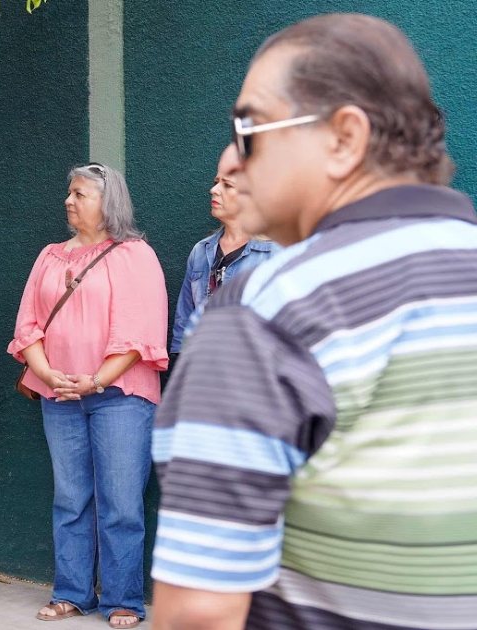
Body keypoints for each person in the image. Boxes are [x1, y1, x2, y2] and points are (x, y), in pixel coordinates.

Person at [151, 13, 477, 630]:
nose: (238, 159)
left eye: (249, 128)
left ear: (344, 138)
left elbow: (198, 613)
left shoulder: (266, 309)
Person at [9, 163, 167, 628]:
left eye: (80, 194)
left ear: (107, 202)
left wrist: (95, 380)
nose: (69, 201)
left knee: (120, 501)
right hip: (60, 395)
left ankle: (123, 600)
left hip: (120, 395)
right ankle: (73, 593)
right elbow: (28, 325)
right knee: (71, 497)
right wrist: (48, 373)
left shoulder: (134, 254)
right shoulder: (51, 256)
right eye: (69, 193)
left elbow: (140, 333)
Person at [169, 153, 280, 361]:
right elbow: (184, 319)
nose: (214, 190)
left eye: (227, 185)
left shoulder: (274, 254)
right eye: (215, 182)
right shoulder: (201, 251)